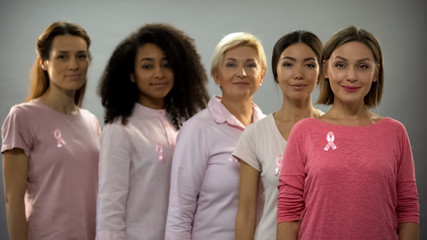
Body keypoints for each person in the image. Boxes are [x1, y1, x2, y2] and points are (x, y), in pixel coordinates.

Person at [277, 26, 419, 240]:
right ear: (325, 70)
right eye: (341, 65)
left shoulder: (395, 132)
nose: (351, 76)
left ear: (375, 73)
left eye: (362, 66)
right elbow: (288, 213)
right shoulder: (304, 132)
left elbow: (407, 210)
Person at [96, 23, 209, 239]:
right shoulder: (120, 129)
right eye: (147, 66)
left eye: (166, 65)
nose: (159, 74)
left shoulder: (184, 126)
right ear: (131, 75)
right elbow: (110, 206)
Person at [1, 21, 100, 239]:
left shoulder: (91, 121)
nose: (74, 65)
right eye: (62, 56)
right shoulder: (22, 117)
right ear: (44, 62)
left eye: (81, 56)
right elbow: (12, 199)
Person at [165, 32, 267, 239]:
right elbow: (179, 214)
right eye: (231, 64)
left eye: (251, 65)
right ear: (216, 75)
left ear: (262, 75)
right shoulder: (198, 129)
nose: (242, 73)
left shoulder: (269, 129)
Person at [233, 30, 323, 240]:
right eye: (288, 64)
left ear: (323, 71)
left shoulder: (335, 130)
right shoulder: (255, 134)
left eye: (309, 64)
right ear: (275, 71)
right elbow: (246, 214)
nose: (298, 74)